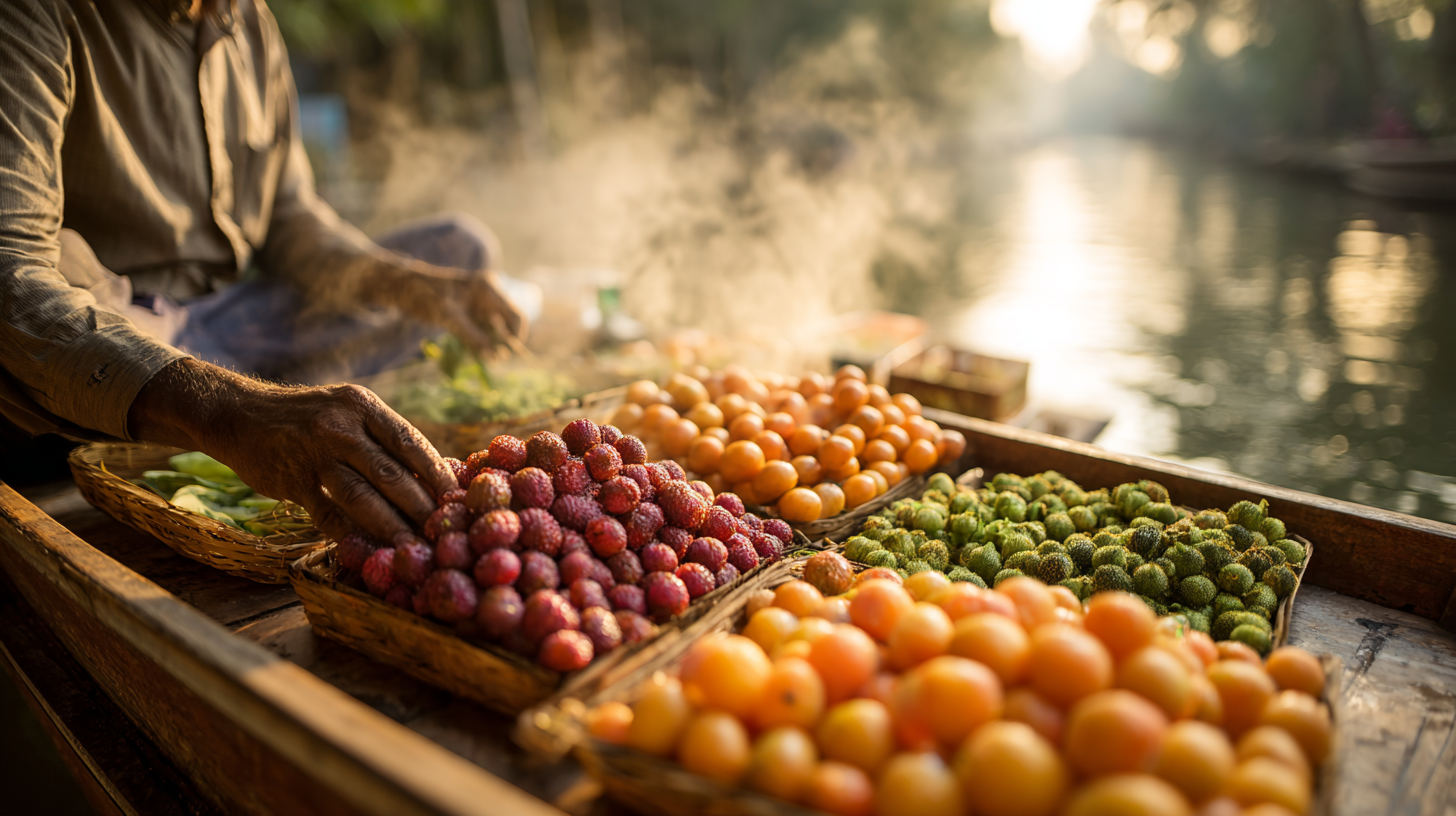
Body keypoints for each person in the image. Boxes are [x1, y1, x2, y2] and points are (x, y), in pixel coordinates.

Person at [0, 0, 527, 542]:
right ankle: (242, 408)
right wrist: (233, 412)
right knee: (49, 299)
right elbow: (11, 271)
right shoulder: (37, 13)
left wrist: (403, 284)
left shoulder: (249, 22)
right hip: (128, 326)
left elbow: (291, 217)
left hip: (235, 326)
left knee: (458, 248)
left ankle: (274, 402)